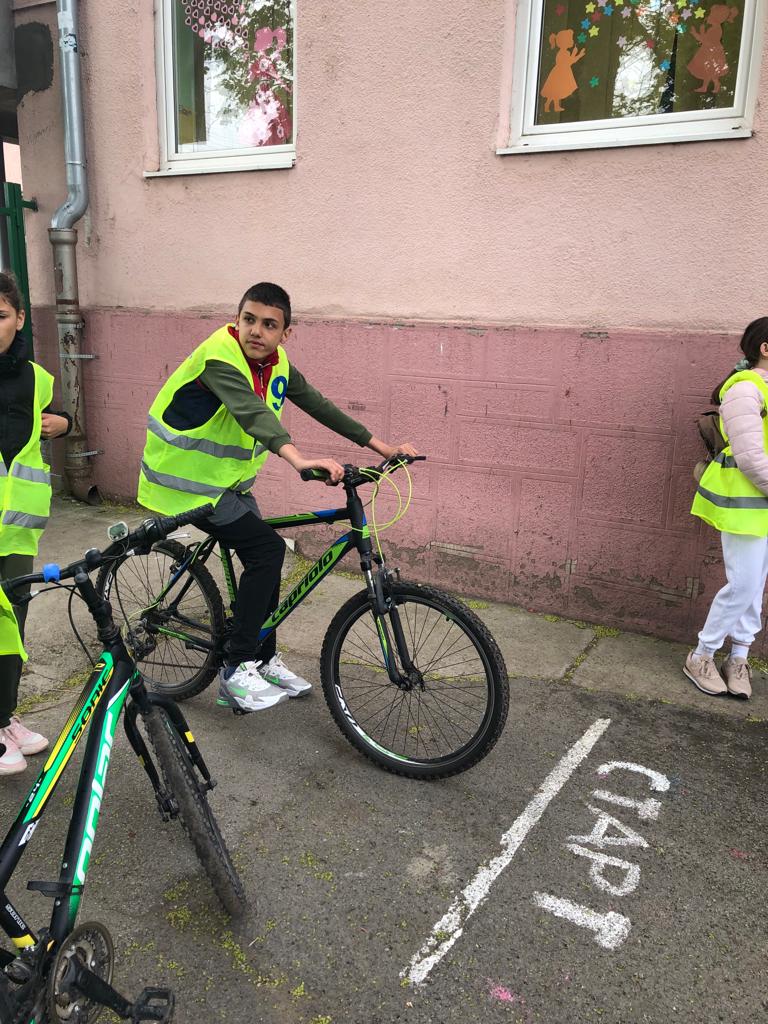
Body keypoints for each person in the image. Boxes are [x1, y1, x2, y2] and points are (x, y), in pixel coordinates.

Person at [138, 282, 417, 713]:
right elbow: (253, 415)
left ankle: (263, 660)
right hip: (184, 482)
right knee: (267, 550)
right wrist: (298, 458)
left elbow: (318, 405)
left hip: (225, 482)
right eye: (249, 320)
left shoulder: (277, 363)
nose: (256, 331)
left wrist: (383, 447)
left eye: (269, 325)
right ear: (236, 320)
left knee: (267, 559)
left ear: (286, 333)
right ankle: (235, 669)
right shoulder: (219, 357)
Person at [0, 271, 71, 773]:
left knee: (13, 625)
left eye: (0, 315)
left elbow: (60, 417)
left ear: (20, 318)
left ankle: (5, 716)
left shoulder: (36, 378)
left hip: (18, 528)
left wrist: (64, 424)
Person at [686, 317, 768, 700]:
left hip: (761, 503)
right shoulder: (745, 388)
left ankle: (738, 658)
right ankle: (701, 654)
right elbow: (751, 457)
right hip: (744, 503)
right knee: (744, 584)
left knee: (756, 586)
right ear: (765, 348)